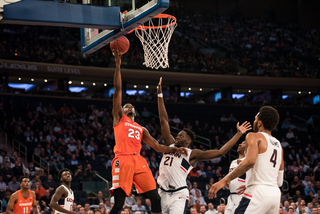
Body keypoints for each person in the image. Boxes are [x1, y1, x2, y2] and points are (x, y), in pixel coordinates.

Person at [156, 77, 251, 214]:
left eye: (181, 136)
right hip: (162, 192)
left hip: (178, 193)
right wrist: (159, 95)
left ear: (188, 141)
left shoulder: (192, 154)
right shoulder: (169, 144)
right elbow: (163, 120)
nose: (177, 136)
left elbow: (220, 152)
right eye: (178, 134)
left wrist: (238, 134)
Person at [109, 50, 187, 214]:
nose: (129, 106)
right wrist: (117, 64)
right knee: (119, 203)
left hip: (138, 161)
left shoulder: (141, 129)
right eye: (126, 106)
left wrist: (174, 149)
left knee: (156, 198)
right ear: (121, 111)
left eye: (131, 106)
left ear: (135, 113)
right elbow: (117, 89)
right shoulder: (119, 119)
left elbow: (158, 146)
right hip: (122, 159)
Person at [209, 106, 284, 214]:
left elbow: (250, 161)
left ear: (259, 123)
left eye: (255, 119)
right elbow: (279, 181)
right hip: (275, 195)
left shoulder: (253, 136)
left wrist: (224, 180)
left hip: (258, 193)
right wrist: (251, 182)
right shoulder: (279, 145)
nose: (254, 121)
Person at [224, 141, 246, 214]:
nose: (240, 144)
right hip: (231, 196)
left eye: (244, 143)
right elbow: (229, 182)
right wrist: (227, 184)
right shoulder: (233, 162)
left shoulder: (248, 161)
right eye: (241, 142)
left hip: (242, 196)